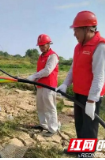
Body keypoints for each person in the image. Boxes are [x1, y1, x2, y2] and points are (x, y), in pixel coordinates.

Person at [57, 11, 105, 155]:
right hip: (78, 93)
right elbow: (74, 68)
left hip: (91, 97)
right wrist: (65, 84)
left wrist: (91, 100)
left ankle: (87, 154)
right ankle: (80, 149)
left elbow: (99, 75)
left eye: (76, 30)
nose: (74, 34)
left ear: (87, 29)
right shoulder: (78, 47)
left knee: (89, 128)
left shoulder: (99, 46)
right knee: (79, 124)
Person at [27, 34, 60, 137]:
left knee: (50, 107)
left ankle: (53, 128)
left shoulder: (53, 56)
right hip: (40, 85)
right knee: (40, 106)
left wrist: (33, 76)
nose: (41, 47)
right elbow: (40, 70)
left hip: (49, 86)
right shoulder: (41, 56)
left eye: (43, 45)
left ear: (48, 44)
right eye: (40, 46)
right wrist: (35, 79)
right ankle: (43, 124)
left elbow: (47, 71)